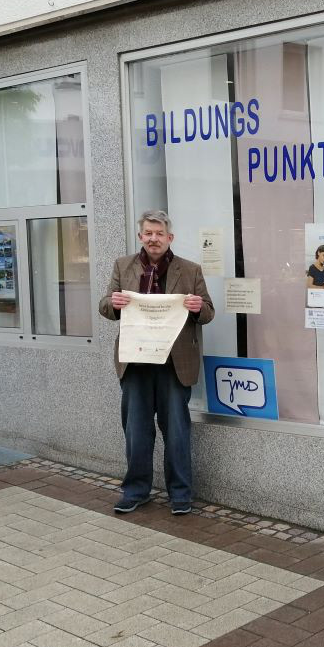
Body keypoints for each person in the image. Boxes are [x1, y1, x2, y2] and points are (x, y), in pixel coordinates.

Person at [99, 210, 214, 515]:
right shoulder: (123, 266)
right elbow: (105, 305)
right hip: (135, 361)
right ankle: (137, 490)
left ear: (169, 237)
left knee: (176, 430)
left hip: (174, 364)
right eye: (148, 233)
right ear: (141, 236)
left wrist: (197, 307)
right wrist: (113, 303)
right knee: (136, 430)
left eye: (159, 233)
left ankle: (180, 494)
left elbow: (209, 312)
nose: (153, 239)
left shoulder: (190, 270)